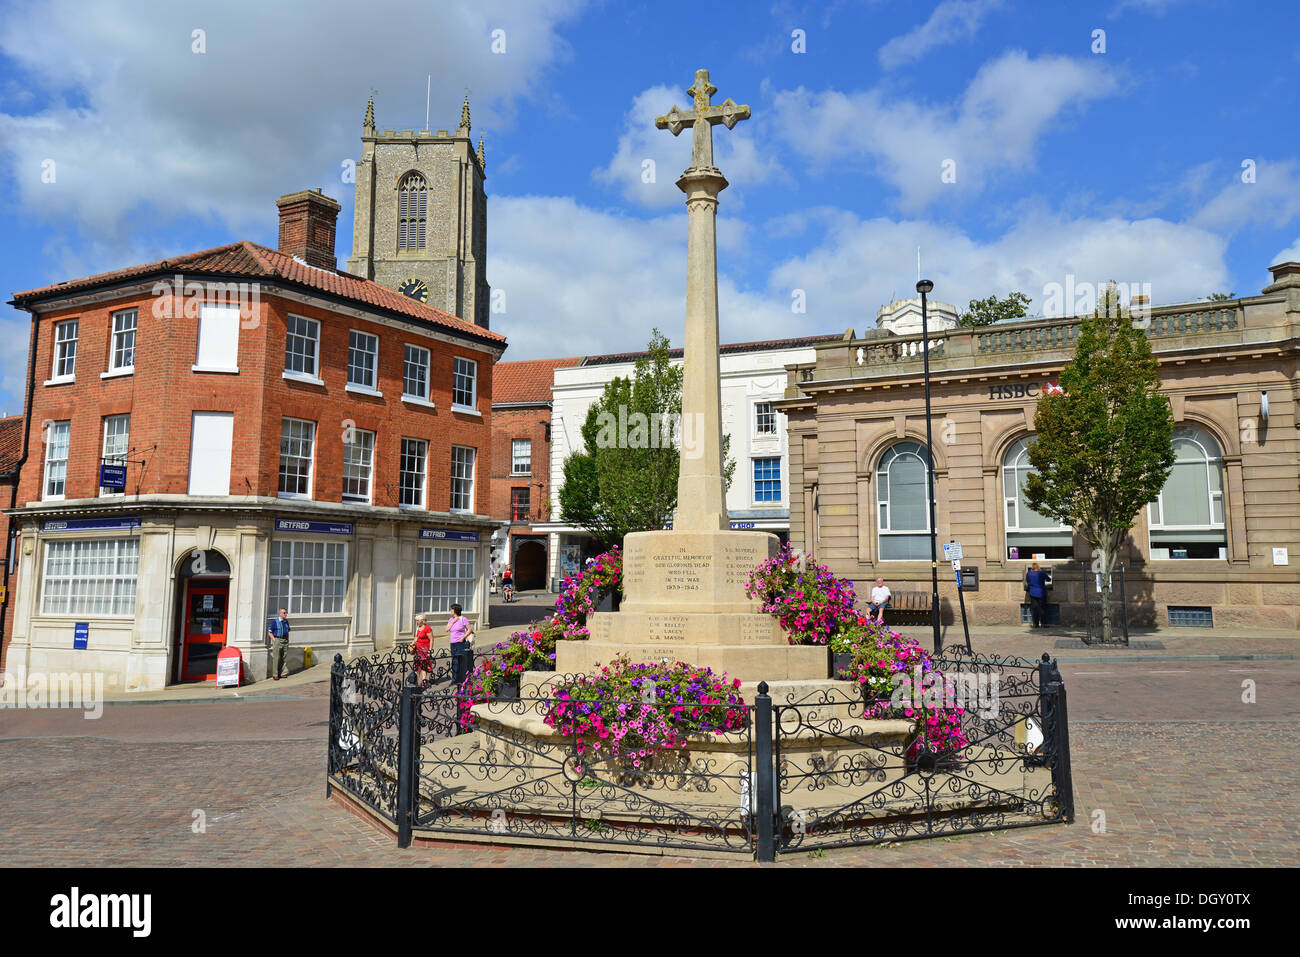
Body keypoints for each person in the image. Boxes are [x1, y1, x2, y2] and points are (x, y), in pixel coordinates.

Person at [448, 603, 475, 687]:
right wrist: (453, 621)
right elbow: (446, 629)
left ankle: (463, 678)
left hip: (460, 643)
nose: (450, 611)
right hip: (452, 643)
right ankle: (454, 679)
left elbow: (470, 629)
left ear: (455, 611)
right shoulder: (451, 619)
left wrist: (463, 637)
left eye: (451, 609)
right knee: (454, 661)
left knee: (461, 661)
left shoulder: (463, 619)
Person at [1024, 563, 1051, 628]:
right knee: (1042, 608)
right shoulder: (1041, 573)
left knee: (1035, 608)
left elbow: (1028, 581)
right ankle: (1044, 624)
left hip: (1033, 593)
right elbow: (1049, 579)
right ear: (1038, 567)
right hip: (1041, 593)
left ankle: (1035, 624)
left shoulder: (1029, 573)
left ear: (1032, 567)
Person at [267, 608, 290, 680]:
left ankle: (282, 673)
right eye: (284, 613)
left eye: (286, 613)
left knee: (284, 657)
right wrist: (274, 640)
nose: (285, 614)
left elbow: (288, 631)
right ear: (280, 614)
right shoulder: (275, 622)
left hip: (285, 640)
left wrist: (287, 640)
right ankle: (275, 674)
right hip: (277, 639)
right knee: (276, 658)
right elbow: (270, 633)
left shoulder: (286, 621)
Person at [412, 614, 435, 686]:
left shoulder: (427, 628)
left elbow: (431, 639)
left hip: (425, 650)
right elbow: (416, 638)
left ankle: (424, 682)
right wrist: (412, 644)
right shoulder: (418, 628)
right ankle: (415, 682)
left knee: (424, 666)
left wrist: (430, 650)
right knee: (417, 666)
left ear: (422, 621)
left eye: (418, 620)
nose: (417, 622)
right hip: (418, 650)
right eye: (416, 620)